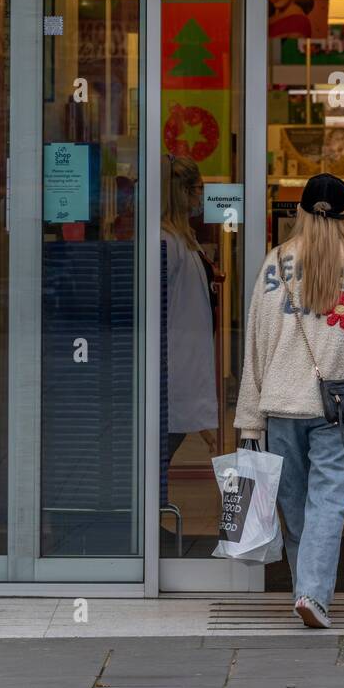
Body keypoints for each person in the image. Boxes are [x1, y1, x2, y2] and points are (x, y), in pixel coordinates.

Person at [236, 173, 344, 628]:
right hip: (338, 407)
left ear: (301, 212)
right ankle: (311, 594)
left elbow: (256, 346)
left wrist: (249, 419)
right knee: (328, 503)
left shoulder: (273, 263)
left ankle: (307, 593)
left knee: (296, 507)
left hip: (281, 405)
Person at [161, 154, 221, 463]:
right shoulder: (167, 242)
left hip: (187, 358)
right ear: (182, 192)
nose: (201, 196)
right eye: (198, 188)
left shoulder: (183, 239)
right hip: (177, 361)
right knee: (160, 453)